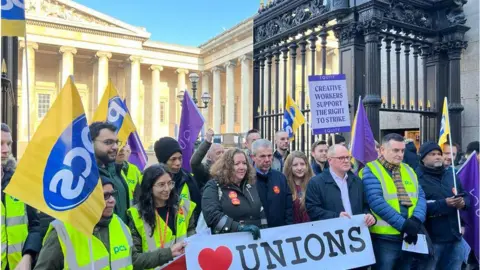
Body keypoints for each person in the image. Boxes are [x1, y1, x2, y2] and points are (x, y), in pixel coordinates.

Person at [34, 177, 186, 270]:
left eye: (112, 194)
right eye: (105, 196)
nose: (112, 200)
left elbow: (135, 261)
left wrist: (169, 253)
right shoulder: (62, 232)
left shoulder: (119, 225)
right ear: (88, 198)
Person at [362, 133, 427, 270]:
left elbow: (420, 197)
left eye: (402, 150)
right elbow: (376, 202)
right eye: (395, 150)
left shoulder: (408, 169)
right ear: (382, 150)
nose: (400, 154)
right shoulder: (370, 170)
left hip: (409, 234)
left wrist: (415, 220)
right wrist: (405, 225)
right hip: (384, 238)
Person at [416, 142, 470, 270]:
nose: (438, 157)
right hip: (432, 239)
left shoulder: (451, 174)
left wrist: (463, 203)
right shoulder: (416, 177)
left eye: (439, 154)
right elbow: (418, 206)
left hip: (455, 236)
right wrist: (443, 204)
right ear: (423, 158)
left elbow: (465, 195)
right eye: (432, 154)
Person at [128, 164, 196, 254]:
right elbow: (136, 255)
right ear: (149, 187)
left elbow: (190, 231)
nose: (167, 189)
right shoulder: (136, 214)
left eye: (170, 183)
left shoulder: (183, 206)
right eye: (161, 185)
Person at [1, 123, 42, 270]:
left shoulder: (20, 183)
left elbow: (35, 226)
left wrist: (28, 256)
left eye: (8, 144)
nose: (6, 150)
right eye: (0, 144)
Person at [202, 148, 266, 239]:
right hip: (228, 244)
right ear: (227, 167)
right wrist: (239, 228)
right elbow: (212, 216)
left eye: (244, 163)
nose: (242, 167)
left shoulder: (250, 185)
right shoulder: (214, 186)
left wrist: (265, 231)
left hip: (253, 243)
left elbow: (260, 211)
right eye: (237, 164)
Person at [306, 145, 376, 226]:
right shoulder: (316, 182)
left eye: (348, 157)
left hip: (357, 233)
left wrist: (369, 216)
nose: (346, 161)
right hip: (331, 233)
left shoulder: (357, 181)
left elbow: (365, 206)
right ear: (330, 160)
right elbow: (312, 210)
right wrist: (336, 217)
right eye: (341, 158)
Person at [90, 121, 131, 223]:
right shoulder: (85, 177)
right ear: (91, 142)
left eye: (116, 142)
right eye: (108, 142)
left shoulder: (117, 172)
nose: (116, 147)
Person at [154, 137, 202, 222]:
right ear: (163, 161)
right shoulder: (149, 179)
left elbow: (197, 210)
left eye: (180, 158)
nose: (178, 163)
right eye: (173, 159)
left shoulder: (188, 178)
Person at [252, 139, 293, 227]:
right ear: (253, 157)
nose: (267, 160)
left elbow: (288, 207)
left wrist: (288, 227)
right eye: (262, 156)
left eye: (269, 155)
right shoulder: (246, 179)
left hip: (279, 232)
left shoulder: (280, 177)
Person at [283, 151, 313, 224]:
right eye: (295, 165)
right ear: (289, 167)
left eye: (302, 164)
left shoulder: (313, 184)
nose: (299, 168)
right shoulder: (284, 185)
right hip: (292, 230)